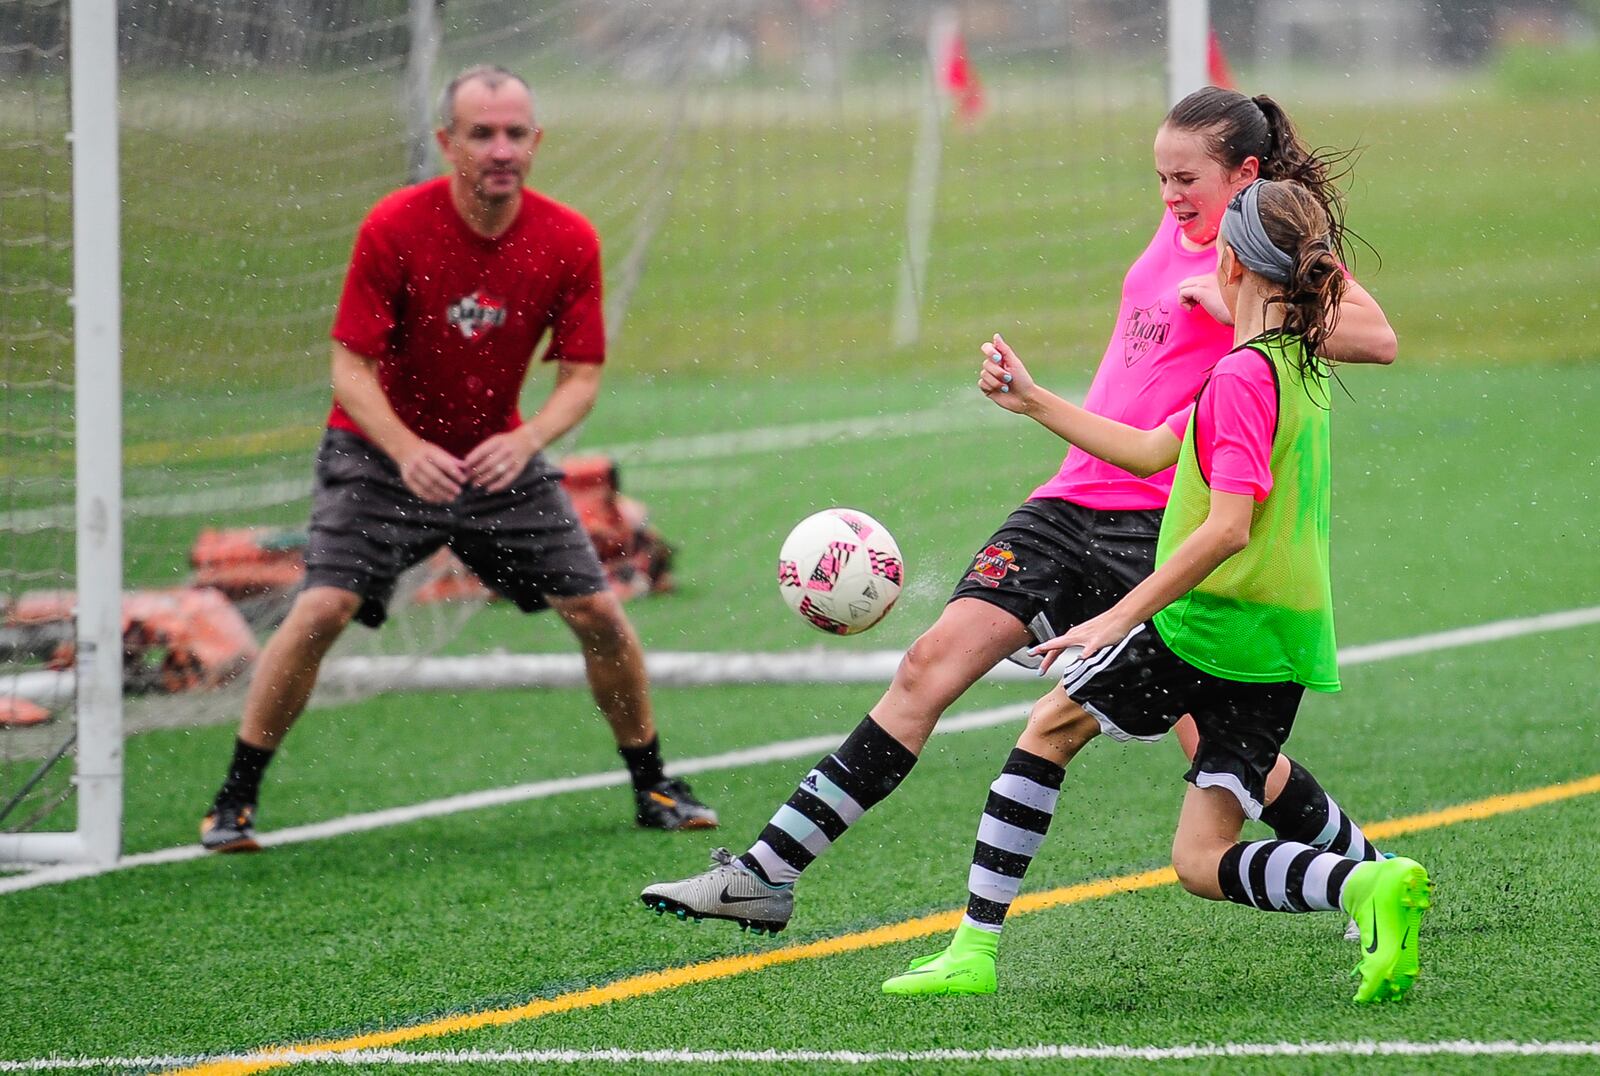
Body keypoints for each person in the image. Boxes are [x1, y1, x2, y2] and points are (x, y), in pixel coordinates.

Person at [639, 87, 1393, 936]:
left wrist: (1236, 308)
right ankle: (764, 874)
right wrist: (1033, 398)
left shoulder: (1250, 258)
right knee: (930, 664)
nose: (1171, 195)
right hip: (1067, 502)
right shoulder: (1180, 228)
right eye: (1160, 177)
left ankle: (1370, 875)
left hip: (1157, 528)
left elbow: (1377, 337)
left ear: (1245, 174)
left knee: (1221, 753)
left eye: (1187, 178)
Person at [883, 180, 1431, 1004]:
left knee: (1050, 726)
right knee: (1200, 862)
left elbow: (1227, 528)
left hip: (1210, 623)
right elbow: (1146, 452)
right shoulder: (1298, 364)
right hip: (1281, 640)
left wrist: (1113, 617)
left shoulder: (1242, 376)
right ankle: (1360, 887)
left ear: (1232, 261)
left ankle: (973, 949)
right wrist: (1034, 401)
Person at [200, 65, 717, 852]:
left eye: (515, 133)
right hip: (380, 454)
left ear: (537, 142)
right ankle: (233, 799)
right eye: (482, 133)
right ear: (447, 142)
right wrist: (406, 451)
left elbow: (580, 380)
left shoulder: (569, 238)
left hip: (496, 462)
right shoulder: (394, 226)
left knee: (600, 614)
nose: (500, 149)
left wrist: (527, 439)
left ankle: (653, 784)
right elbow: (349, 368)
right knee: (321, 609)